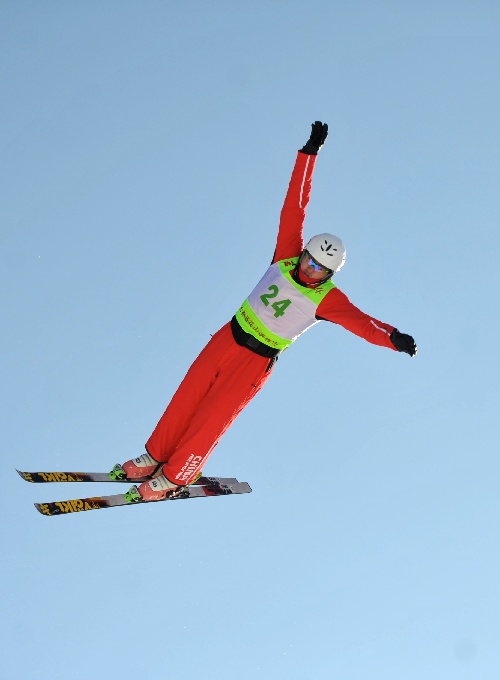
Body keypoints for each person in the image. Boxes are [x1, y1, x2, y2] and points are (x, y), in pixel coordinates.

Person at [114, 121, 417, 501]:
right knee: (187, 396)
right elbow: (295, 204)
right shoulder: (286, 255)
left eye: (319, 269)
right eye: (309, 260)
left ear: (329, 273)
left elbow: (363, 324)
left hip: (255, 361)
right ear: (304, 251)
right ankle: (155, 456)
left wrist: (394, 338)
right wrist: (309, 154)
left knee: (212, 418)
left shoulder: (328, 299)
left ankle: (175, 477)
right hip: (229, 336)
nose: (309, 270)